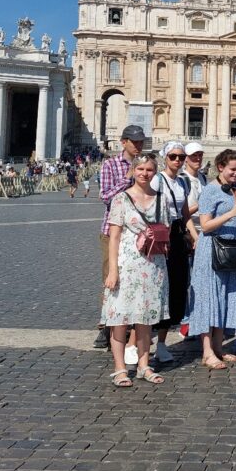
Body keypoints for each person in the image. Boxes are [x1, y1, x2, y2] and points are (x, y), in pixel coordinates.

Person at [101, 153, 169, 387]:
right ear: (133, 171)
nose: (144, 173)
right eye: (140, 169)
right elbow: (114, 236)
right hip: (127, 264)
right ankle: (120, 368)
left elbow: (166, 227)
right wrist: (113, 269)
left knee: (146, 318)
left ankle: (144, 365)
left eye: (149, 170)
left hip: (153, 263)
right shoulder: (121, 199)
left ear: (154, 172)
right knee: (120, 316)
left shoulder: (161, 198)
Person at [185, 149, 236, 370]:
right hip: (211, 250)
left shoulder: (235, 190)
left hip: (231, 250)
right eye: (233, 169)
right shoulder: (210, 191)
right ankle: (207, 351)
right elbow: (206, 225)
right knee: (208, 298)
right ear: (221, 167)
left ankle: (219, 347)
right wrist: (231, 213)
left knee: (226, 297)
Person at [95, 124, 145, 354]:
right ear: (123, 142)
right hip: (113, 231)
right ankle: (106, 326)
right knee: (111, 277)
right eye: (134, 142)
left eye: (141, 142)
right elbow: (105, 197)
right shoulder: (110, 165)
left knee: (136, 278)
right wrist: (127, 180)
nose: (138, 146)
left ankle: (132, 325)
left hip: (138, 233)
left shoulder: (145, 166)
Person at [151, 141, 199, 363]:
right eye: (173, 156)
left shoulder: (183, 182)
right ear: (165, 157)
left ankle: (161, 343)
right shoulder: (156, 180)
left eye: (181, 157)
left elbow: (185, 213)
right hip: (161, 237)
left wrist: (195, 237)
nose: (178, 160)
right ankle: (137, 341)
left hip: (178, 237)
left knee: (177, 289)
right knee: (158, 289)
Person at [183, 142, 208, 233]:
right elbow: (180, 213)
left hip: (203, 228)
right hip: (188, 230)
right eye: (194, 155)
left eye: (200, 155)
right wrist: (202, 204)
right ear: (185, 158)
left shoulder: (203, 178)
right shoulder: (181, 179)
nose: (198, 159)